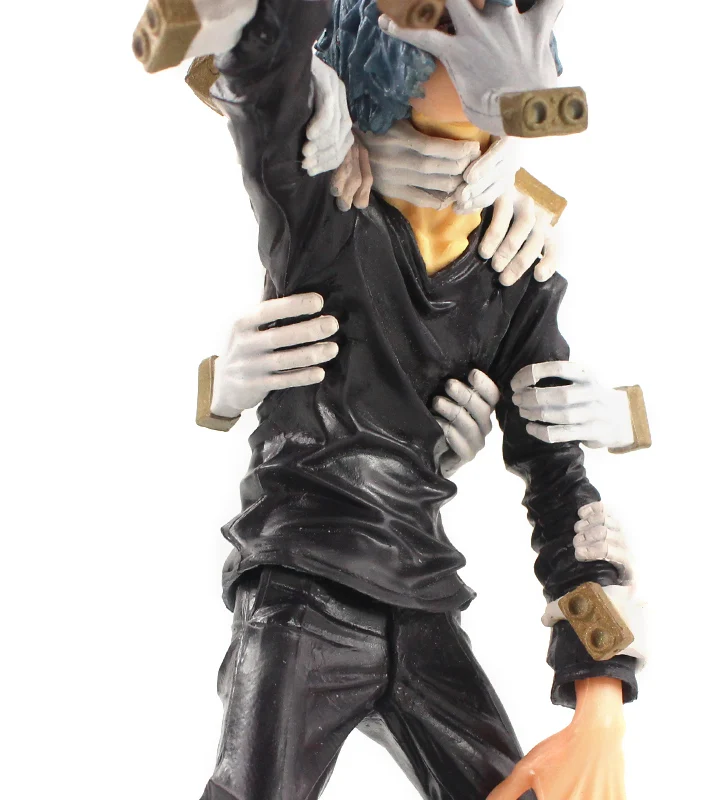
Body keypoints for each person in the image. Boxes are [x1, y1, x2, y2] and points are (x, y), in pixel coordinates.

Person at [175, 0, 644, 797]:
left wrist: (602, 697)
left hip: (423, 602)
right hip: (303, 584)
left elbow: (563, 487)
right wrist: (303, 69)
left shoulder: (514, 277)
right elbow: (265, 87)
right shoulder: (325, 218)